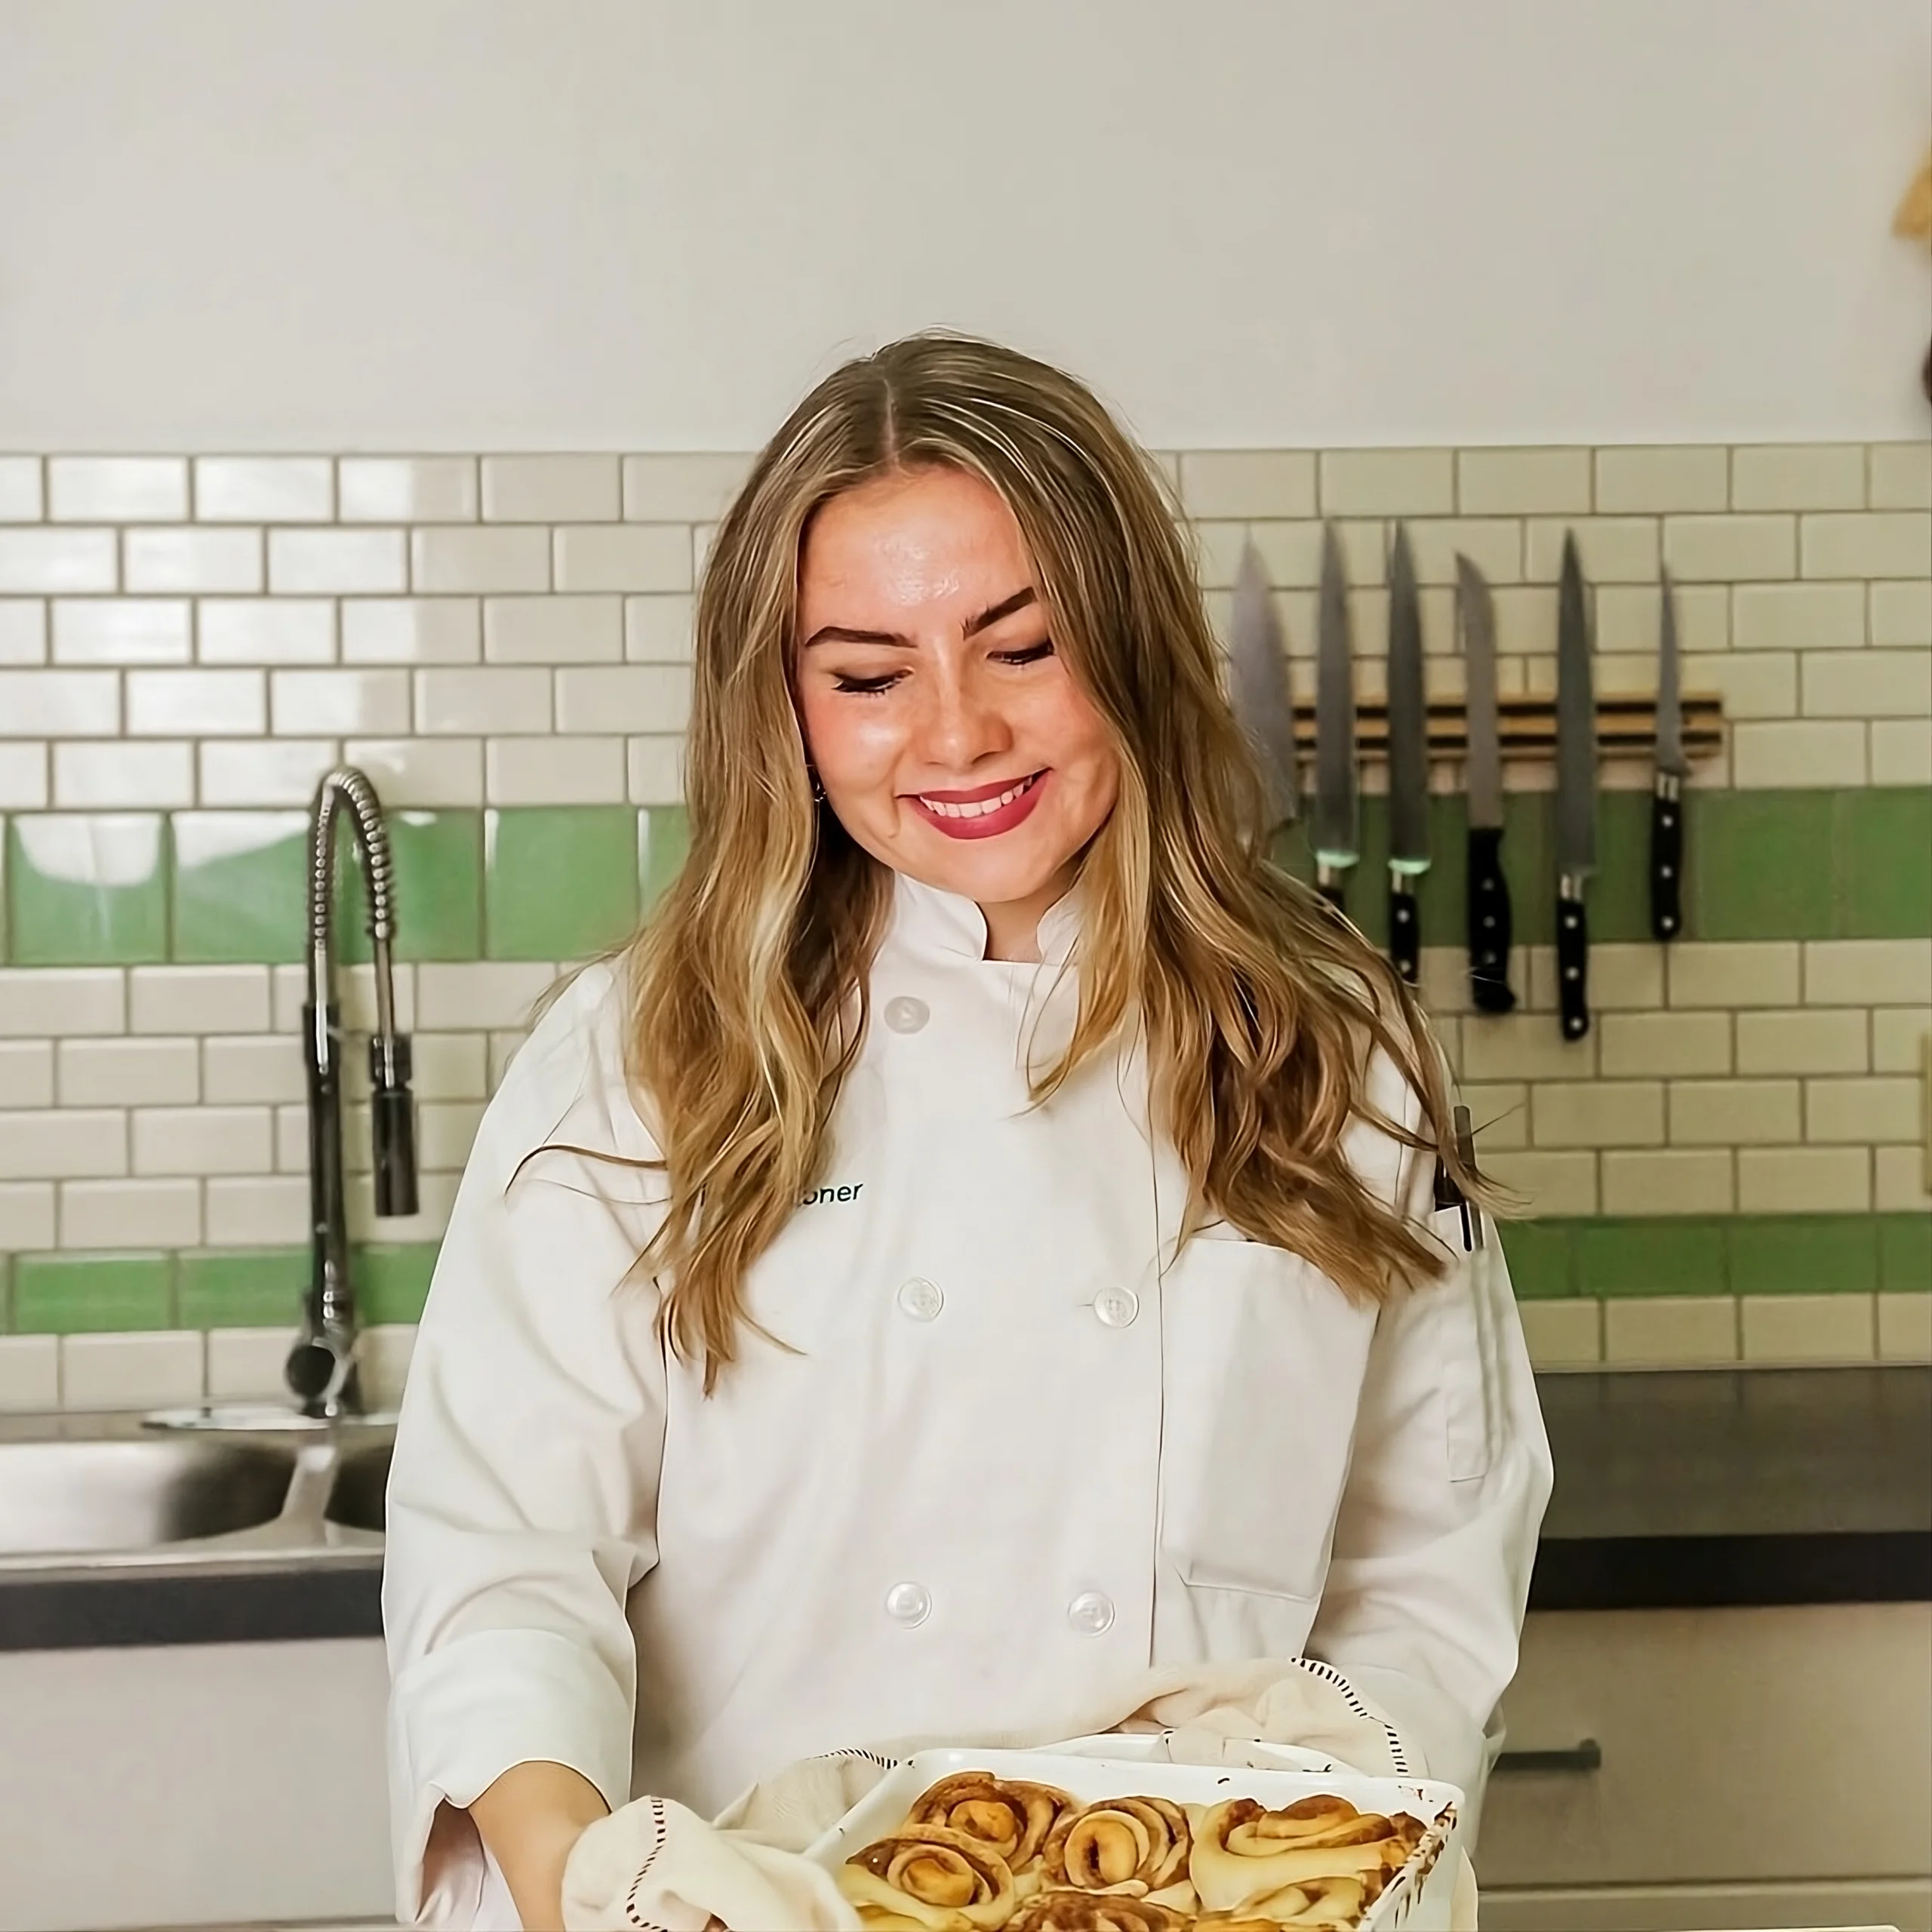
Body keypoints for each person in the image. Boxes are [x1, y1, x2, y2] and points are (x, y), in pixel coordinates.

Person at [383, 332, 1552, 1930]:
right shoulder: (643, 1059)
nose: (955, 734)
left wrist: (1313, 1860)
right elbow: (505, 1567)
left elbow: (1426, 1557)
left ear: (1130, 643)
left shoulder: (1322, 1043)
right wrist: (598, 1893)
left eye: (1022, 647)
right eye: (867, 675)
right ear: (783, 706)